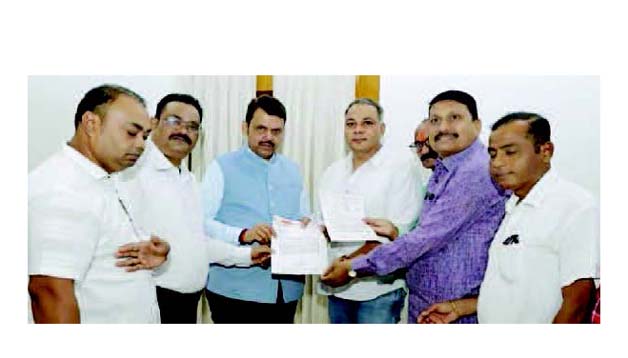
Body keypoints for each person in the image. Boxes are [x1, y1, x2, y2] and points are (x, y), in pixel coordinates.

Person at [321, 90, 507, 323]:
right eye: (435, 120)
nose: (443, 127)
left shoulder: (474, 172)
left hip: (454, 308)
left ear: (477, 125)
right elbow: (429, 233)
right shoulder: (445, 168)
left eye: (454, 118)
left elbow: (424, 238)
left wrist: (353, 267)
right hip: (432, 303)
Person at [418, 112, 598, 323]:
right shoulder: (513, 206)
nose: (497, 163)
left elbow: (578, 303)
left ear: (545, 151)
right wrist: (460, 307)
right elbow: (518, 289)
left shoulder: (574, 206)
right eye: (493, 154)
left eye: (510, 152)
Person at [118, 93, 271, 324]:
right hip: (149, 300)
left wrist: (247, 256)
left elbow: (197, 244)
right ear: (154, 123)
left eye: (192, 126)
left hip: (187, 304)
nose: (183, 130)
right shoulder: (132, 173)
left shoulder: (188, 180)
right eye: (174, 121)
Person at [28, 84, 169, 323]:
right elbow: (49, 293)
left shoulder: (101, 179)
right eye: (131, 133)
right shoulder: (63, 189)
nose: (141, 145)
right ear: (91, 124)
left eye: (145, 136)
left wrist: (147, 255)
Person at [200, 95, 310, 323]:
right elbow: (201, 223)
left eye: (276, 131)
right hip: (233, 291)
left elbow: (304, 218)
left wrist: (309, 229)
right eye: (261, 129)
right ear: (245, 128)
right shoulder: (221, 167)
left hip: (286, 292)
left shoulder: (294, 170)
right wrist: (243, 234)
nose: (268, 137)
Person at [317, 98, 422, 323]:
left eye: (367, 123)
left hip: (378, 290)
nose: (358, 130)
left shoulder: (401, 167)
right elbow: (323, 224)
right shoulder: (332, 172)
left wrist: (347, 266)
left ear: (381, 129)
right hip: (337, 288)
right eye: (351, 124)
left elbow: (399, 233)